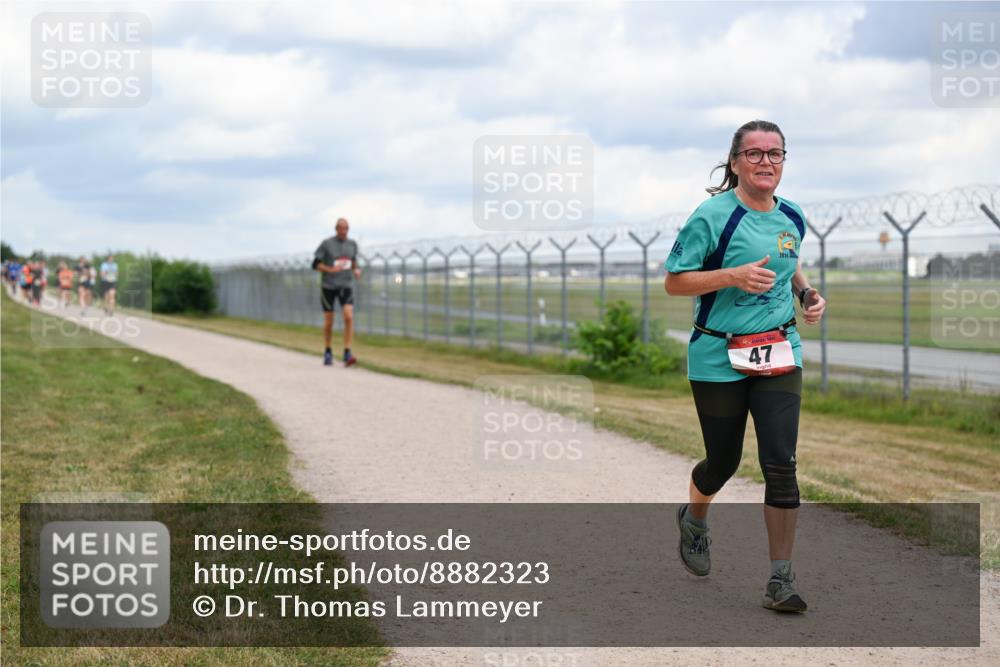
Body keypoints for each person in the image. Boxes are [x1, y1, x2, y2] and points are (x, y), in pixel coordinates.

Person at [663, 120, 826, 613]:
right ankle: (694, 518)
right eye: (753, 154)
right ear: (734, 163)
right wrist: (730, 276)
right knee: (724, 462)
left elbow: (788, 258)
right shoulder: (712, 217)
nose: (765, 162)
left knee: (781, 464)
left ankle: (781, 579)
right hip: (718, 353)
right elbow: (675, 282)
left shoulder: (792, 215)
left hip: (779, 348)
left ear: (783, 161)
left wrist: (806, 293)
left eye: (775, 154)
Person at [312, 218, 362, 366]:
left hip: (345, 284)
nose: (343, 231)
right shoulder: (327, 244)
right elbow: (315, 264)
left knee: (348, 315)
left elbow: (353, 262)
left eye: (346, 229)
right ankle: (328, 351)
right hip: (328, 286)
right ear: (336, 229)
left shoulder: (352, 244)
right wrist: (330, 270)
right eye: (341, 228)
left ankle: (347, 352)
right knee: (329, 321)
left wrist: (356, 270)